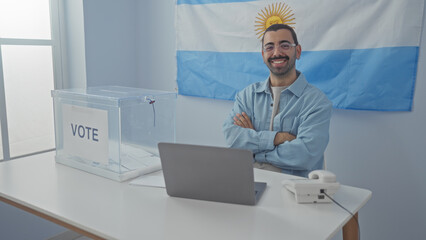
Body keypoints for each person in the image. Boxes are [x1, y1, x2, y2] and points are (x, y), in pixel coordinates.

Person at [222, 24, 332, 177]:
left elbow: (304, 155)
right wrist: (278, 138)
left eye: (285, 45)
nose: (277, 53)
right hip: (249, 182)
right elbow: (232, 138)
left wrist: (255, 150)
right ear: (263, 55)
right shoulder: (247, 96)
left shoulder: (317, 102)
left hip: (295, 191)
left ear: (298, 51)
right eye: (269, 47)